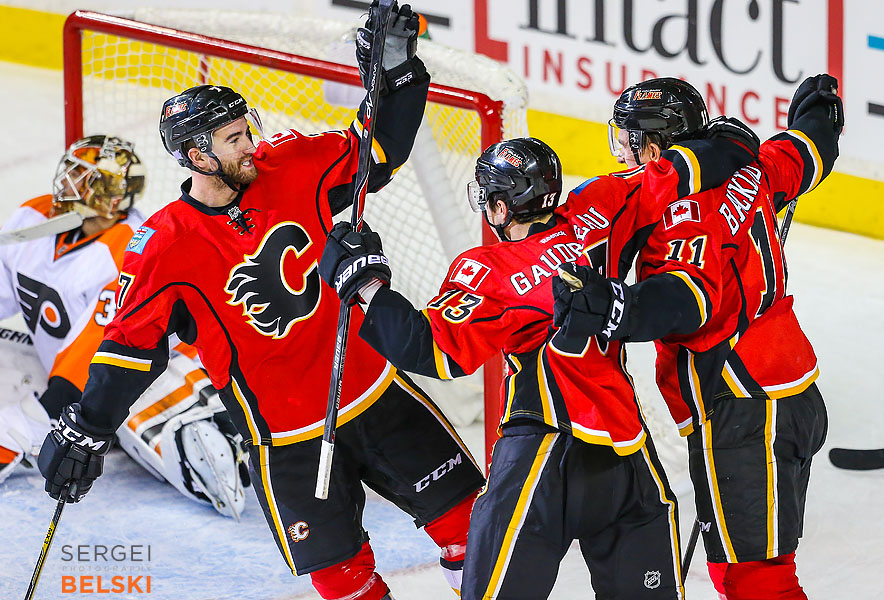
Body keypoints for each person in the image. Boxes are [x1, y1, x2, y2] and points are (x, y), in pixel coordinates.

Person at [37, 4, 484, 600]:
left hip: (373, 391)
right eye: (234, 140)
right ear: (198, 157)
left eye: (248, 130)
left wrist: (399, 73)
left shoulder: (293, 164)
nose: (252, 144)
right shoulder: (165, 243)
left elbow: (380, 150)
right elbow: (129, 348)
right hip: (285, 434)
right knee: (342, 581)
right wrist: (90, 428)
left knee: (477, 535)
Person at [319, 125, 758, 598]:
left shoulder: (488, 270)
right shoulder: (601, 205)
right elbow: (686, 169)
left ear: (502, 209)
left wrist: (366, 287)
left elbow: (433, 351)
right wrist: (734, 143)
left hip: (543, 454)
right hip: (628, 454)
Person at [552, 75, 842, 599]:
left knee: (756, 577)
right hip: (785, 389)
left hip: (740, 401)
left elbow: (692, 300)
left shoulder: (681, 213)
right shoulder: (753, 165)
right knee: (743, 566)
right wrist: (820, 111)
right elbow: (809, 150)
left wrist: (620, 308)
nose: (622, 154)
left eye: (628, 142)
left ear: (658, 145)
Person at [0, 135, 248, 518]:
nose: (65, 183)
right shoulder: (35, 216)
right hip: (68, 370)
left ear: (107, 193)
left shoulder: (129, 252)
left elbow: (91, 363)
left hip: (149, 377)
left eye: (81, 176)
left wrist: (13, 432)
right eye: (70, 171)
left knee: (210, 468)